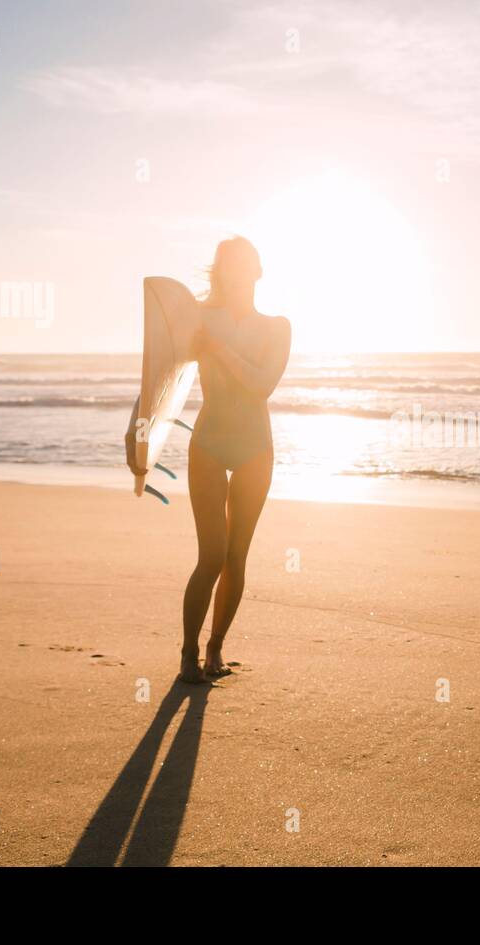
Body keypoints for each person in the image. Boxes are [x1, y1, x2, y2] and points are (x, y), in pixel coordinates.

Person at [126, 237, 291, 682]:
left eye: (245, 264)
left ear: (259, 270)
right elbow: (160, 371)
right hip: (210, 441)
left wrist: (215, 348)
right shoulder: (198, 319)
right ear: (220, 271)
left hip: (256, 444)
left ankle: (216, 650)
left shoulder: (277, 327)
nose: (238, 272)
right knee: (211, 556)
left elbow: (261, 385)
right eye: (229, 265)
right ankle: (187, 654)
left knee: (237, 556)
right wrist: (138, 425)